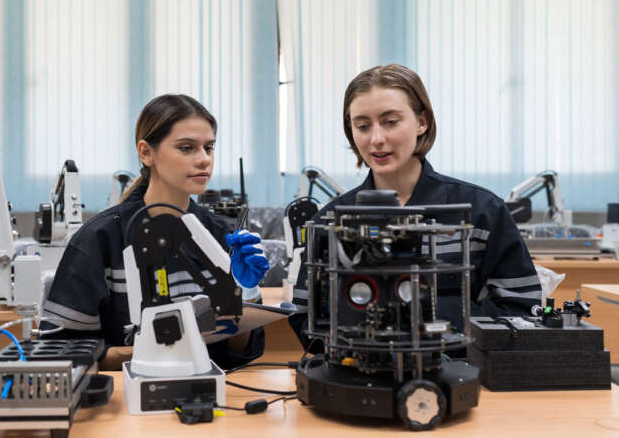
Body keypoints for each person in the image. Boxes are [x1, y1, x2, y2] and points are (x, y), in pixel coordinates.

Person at [289, 64, 541, 347]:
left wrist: (422, 320)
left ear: (422, 122)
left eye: (391, 122)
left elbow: (523, 312)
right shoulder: (331, 220)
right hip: (356, 378)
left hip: (463, 377)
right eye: (362, 125)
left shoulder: (482, 212)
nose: (376, 139)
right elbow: (306, 319)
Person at [44, 94, 268, 370]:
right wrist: (167, 351)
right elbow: (64, 350)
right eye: (187, 148)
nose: (203, 160)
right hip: (126, 401)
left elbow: (242, 350)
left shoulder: (222, 234)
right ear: (146, 152)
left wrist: (245, 292)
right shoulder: (99, 239)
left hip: (211, 397)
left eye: (209, 148)